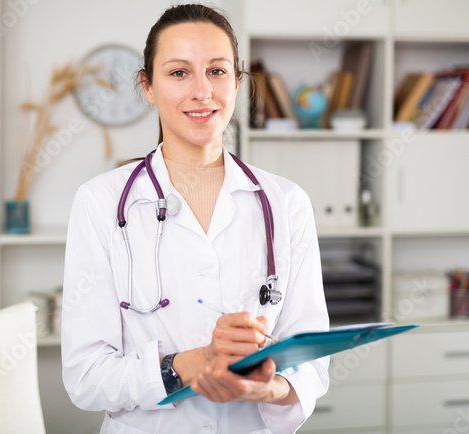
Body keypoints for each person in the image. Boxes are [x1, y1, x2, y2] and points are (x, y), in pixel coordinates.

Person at [62, 4, 329, 434]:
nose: (202, 91)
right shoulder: (100, 203)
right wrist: (192, 363)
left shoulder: (286, 203)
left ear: (238, 83)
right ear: (148, 86)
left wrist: (268, 389)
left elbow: (312, 361)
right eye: (179, 73)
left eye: (218, 71)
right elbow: (86, 378)